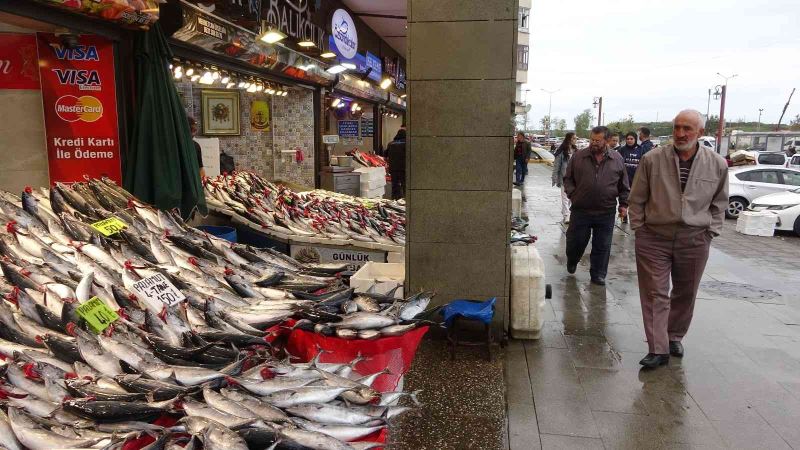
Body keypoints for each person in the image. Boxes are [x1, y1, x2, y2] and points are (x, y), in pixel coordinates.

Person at [628, 110, 728, 370]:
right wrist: (639, 229)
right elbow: (637, 198)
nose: (681, 133)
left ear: (700, 133)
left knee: (685, 292)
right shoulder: (652, 159)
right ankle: (657, 348)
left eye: (687, 129)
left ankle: (674, 336)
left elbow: (720, 203)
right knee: (654, 293)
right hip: (654, 237)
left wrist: (711, 231)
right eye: (677, 127)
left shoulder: (717, 163)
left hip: (695, 239)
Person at [563, 126, 630, 286]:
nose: (593, 143)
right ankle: (572, 259)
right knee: (576, 242)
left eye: (597, 140)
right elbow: (568, 179)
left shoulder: (617, 159)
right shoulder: (579, 156)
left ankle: (598, 274)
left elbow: (623, 184)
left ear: (606, 141)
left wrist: (624, 204)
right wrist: (573, 194)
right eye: (592, 139)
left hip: (605, 211)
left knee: (603, 245)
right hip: (581, 210)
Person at [617, 132, 644, 223]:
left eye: (631, 139)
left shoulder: (641, 149)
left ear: (635, 139)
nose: (629, 140)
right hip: (624, 179)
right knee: (624, 199)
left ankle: (635, 218)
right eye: (628, 139)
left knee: (635, 201)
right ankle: (623, 216)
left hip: (637, 180)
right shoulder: (622, 150)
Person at [552, 132, 577, 223]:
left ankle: (566, 212)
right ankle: (567, 215)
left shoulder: (576, 151)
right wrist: (554, 178)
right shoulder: (562, 151)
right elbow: (557, 166)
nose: (575, 140)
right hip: (565, 178)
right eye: (574, 138)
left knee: (572, 197)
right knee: (565, 197)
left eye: (576, 138)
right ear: (569, 139)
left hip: (575, 178)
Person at [386, 128, 407, 199]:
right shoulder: (407, 143)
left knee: (395, 185)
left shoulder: (391, 143)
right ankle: (405, 200)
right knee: (405, 185)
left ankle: (395, 199)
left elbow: (385, 154)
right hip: (404, 168)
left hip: (393, 168)